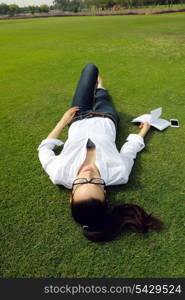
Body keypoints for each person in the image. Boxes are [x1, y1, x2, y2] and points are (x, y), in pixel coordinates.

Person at [37, 63, 163, 243]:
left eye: (80, 183)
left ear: (71, 197)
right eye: (95, 182)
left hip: (78, 117)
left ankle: (97, 86)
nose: (87, 174)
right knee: (102, 97)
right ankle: (101, 88)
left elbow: (44, 149)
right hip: (106, 118)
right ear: (104, 193)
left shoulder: (59, 173)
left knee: (90, 69)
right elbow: (130, 150)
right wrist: (144, 130)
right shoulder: (119, 174)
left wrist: (62, 122)